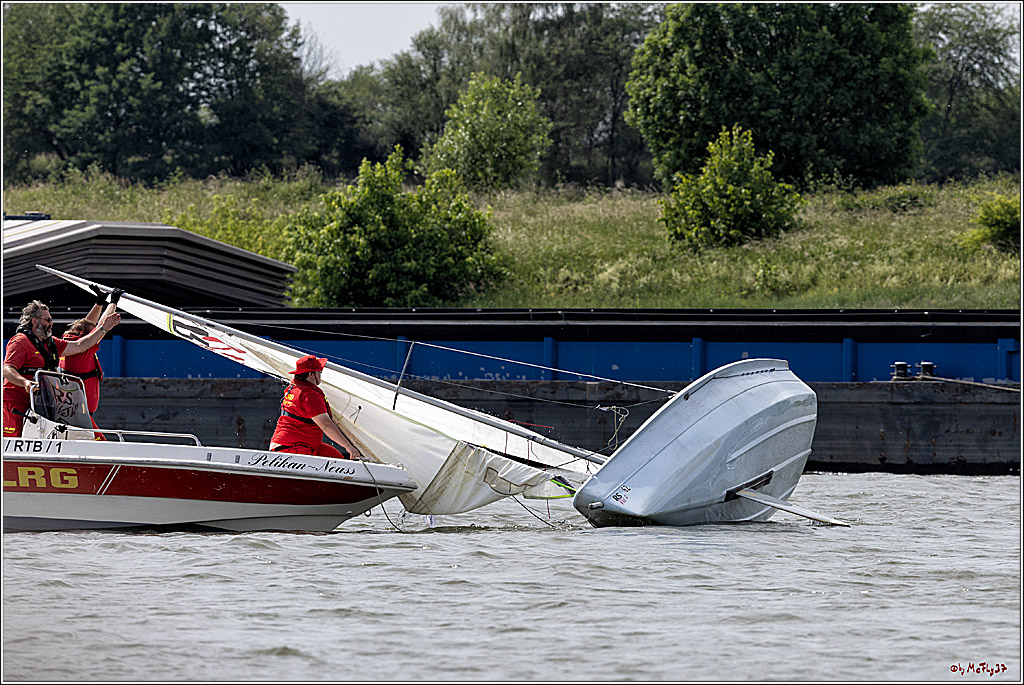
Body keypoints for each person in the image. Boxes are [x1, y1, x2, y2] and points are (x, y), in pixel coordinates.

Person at [3, 298, 121, 438]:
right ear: (35, 321)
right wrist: (25, 383)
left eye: (51, 320)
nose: (51, 323)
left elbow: (80, 345)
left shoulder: (51, 344)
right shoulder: (20, 342)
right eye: (47, 320)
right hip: (15, 404)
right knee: (13, 440)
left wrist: (103, 328)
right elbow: (7, 369)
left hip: (39, 404)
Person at [59, 286, 124, 436]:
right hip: (80, 416)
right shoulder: (83, 350)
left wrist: (99, 303)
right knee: (101, 449)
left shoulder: (68, 341)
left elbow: (89, 326)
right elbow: (102, 326)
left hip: (75, 411)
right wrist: (113, 302)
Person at [269, 355, 359, 460]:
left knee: (336, 457)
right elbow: (326, 425)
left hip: (285, 445)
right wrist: (348, 446)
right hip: (293, 449)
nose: (320, 375)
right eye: (319, 372)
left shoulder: (292, 388)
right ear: (311, 374)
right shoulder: (309, 395)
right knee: (339, 464)